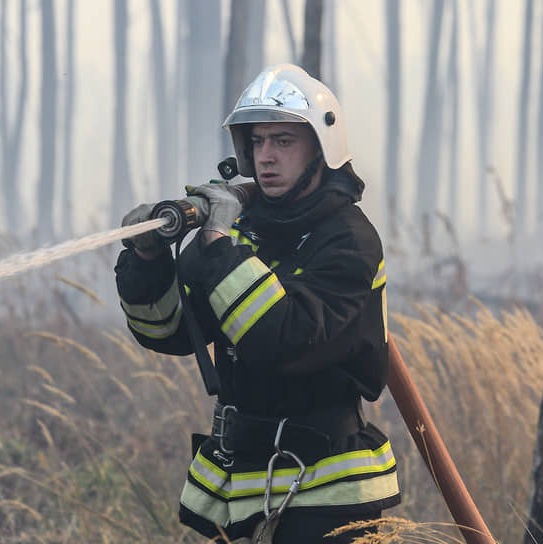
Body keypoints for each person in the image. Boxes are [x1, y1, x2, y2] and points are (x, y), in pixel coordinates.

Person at [114, 64, 400, 543]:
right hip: (242, 485)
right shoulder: (242, 231)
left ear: (321, 148)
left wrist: (221, 246)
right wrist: (149, 260)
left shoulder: (349, 240)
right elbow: (169, 333)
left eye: (283, 141)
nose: (265, 157)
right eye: (257, 141)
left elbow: (281, 338)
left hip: (328, 494)